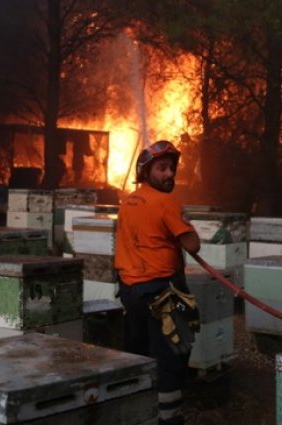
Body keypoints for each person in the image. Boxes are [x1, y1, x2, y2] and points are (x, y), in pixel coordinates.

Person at [114, 140, 201, 425]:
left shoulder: (128, 201)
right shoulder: (167, 203)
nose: (169, 174)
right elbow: (193, 244)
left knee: (139, 353)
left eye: (171, 168)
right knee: (171, 358)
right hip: (162, 291)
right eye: (162, 168)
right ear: (146, 171)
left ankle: (140, 413)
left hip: (130, 291)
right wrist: (186, 222)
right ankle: (168, 418)